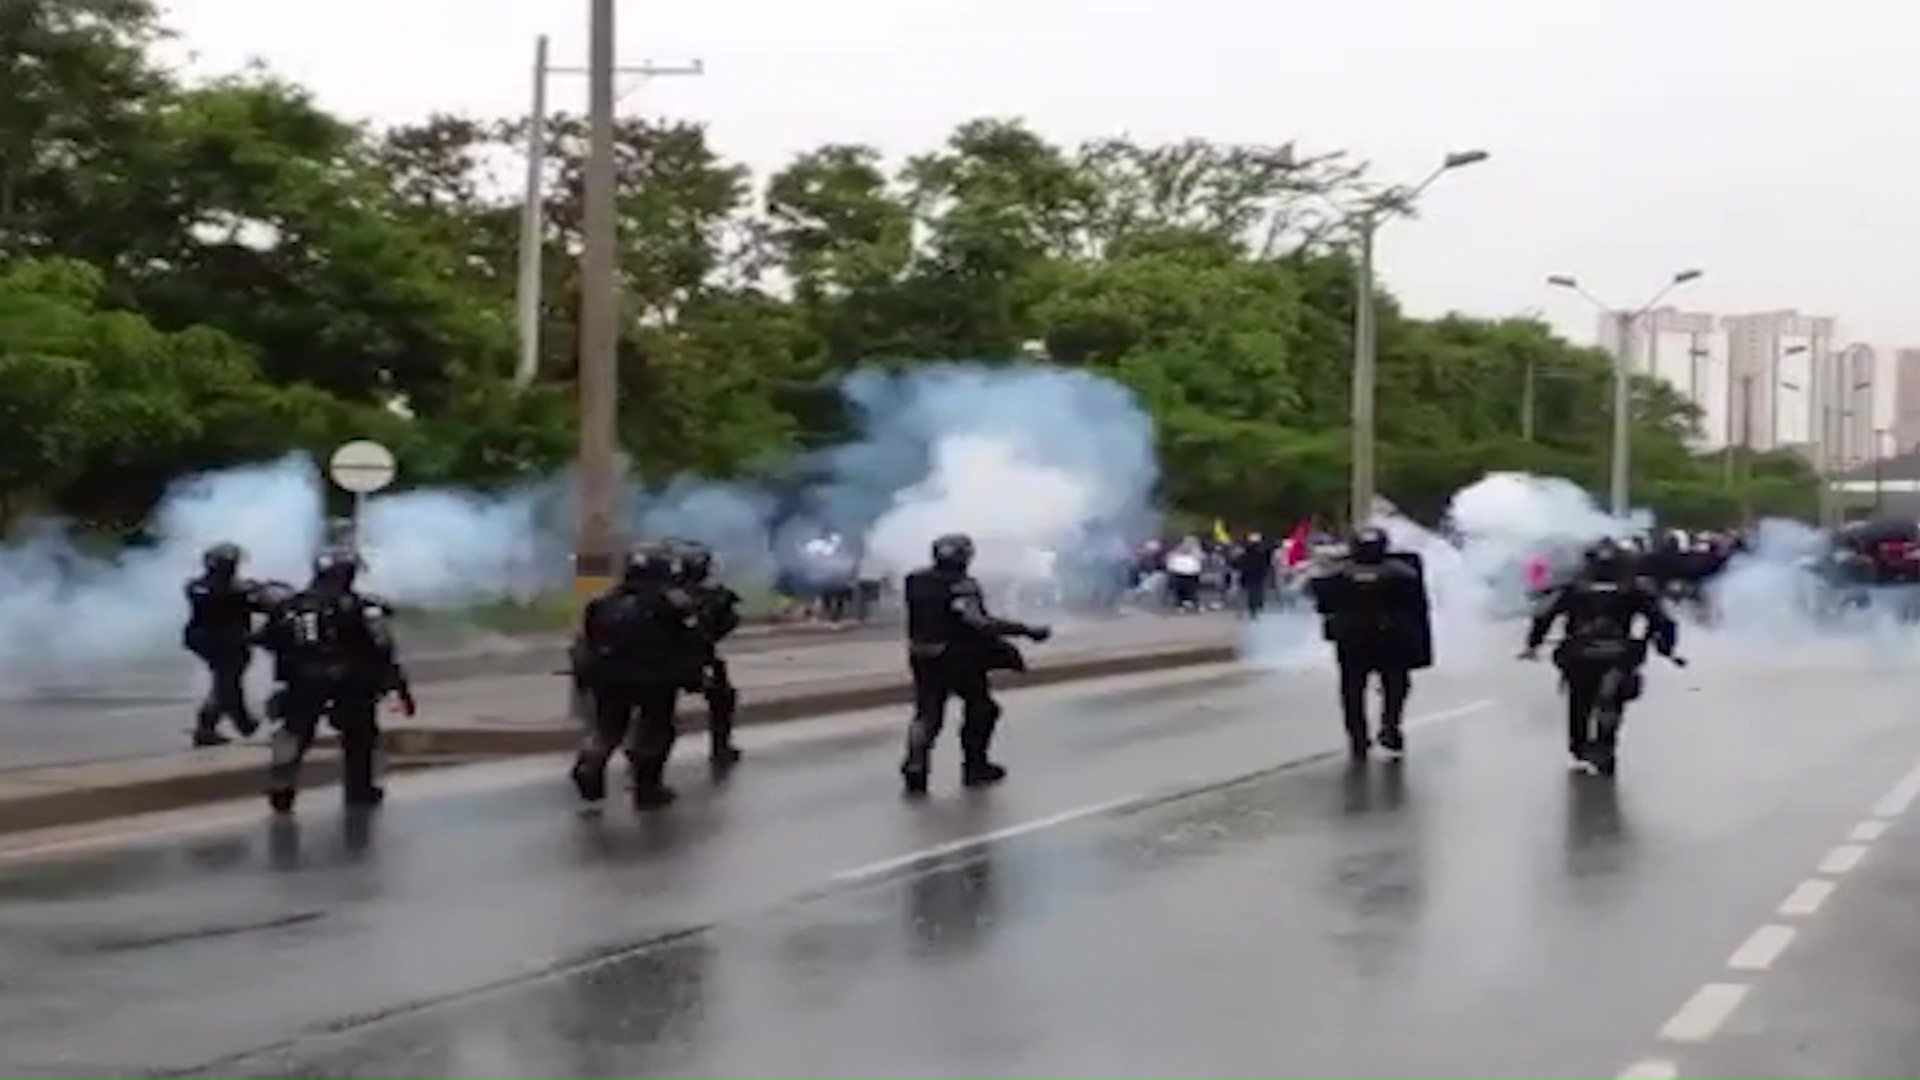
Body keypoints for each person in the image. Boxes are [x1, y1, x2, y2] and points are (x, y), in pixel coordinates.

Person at [255, 548, 415, 813]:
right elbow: (382, 648)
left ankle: (282, 781)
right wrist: (397, 687)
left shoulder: (289, 605)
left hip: (302, 679)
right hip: (349, 680)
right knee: (359, 734)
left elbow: (265, 639)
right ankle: (359, 790)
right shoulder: (362, 606)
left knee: (294, 731)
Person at [900, 533, 1051, 795]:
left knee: (927, 714)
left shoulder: (915, 580)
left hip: (922, 653)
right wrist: (1025, 630)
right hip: (958, 655)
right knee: (982, 708)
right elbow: (978, 622)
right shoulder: (962, 584)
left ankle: (915, 763)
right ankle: (975, 766)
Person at [1520, 537, 1679, 775]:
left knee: (1578, 700)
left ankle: (1582, 746)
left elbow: (1543, 615)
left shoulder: (1573, 587)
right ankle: (1605, 744)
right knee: (1615, 697)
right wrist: (1665, 647)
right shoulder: (1636, 587)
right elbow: (1664, 621)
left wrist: (1533, 644)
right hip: (1618, 654)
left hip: (1579, 653)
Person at [571, 543, 706, 810]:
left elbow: (587, 641)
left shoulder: (603, 602)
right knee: (656, 728)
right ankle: (648, 787)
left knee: (608, 728)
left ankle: (590, 764)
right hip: (654, 678)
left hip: (608, 677)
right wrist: (694, 675)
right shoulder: (672, 601)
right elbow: (693, 640)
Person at [1309, 526, 1432, 761]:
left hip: (1352, 641)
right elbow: (1416, 610)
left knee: (1352, 690)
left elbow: (1323, 605)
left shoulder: (1336, 574)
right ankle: (1390, 727)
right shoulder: (1404, 573)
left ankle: (1358, 736)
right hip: (1390, 639)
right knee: (1395, 687)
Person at [182, 542, 266, 747]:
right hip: (227, 642)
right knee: (227, 684)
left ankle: (239, 722)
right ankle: (216, 725)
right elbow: (257, 602)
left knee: (227, 682)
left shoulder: (195, 586)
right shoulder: (235, 592)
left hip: (201, 639)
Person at [673, 540, 745, 772]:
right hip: (692, 661)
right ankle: (721, 748)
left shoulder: (663, 592)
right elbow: (724, 626)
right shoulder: (709, 596)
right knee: (722, 697)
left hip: (658, 660)